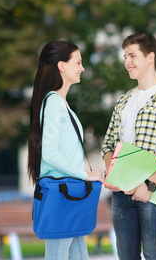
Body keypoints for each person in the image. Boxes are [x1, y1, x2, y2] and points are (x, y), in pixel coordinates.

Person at [101, 33, 156, 260]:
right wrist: (113, 174)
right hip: (121, 192)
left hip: (153, 191)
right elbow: (108, 144)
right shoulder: (123, 100)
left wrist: (148, 185)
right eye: (125, 56)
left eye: (132, 55)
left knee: (154, 253)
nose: (126, 62)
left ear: (150, 57)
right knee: (126, 255)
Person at [27, 41, 103, 260]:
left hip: (68, 194)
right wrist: (85, 174)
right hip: (63, 194)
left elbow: (63, 151)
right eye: (78, 62)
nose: (82, 68)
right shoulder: (53, 102)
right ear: (61, 66)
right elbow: (50, 153)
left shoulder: (61, 102)